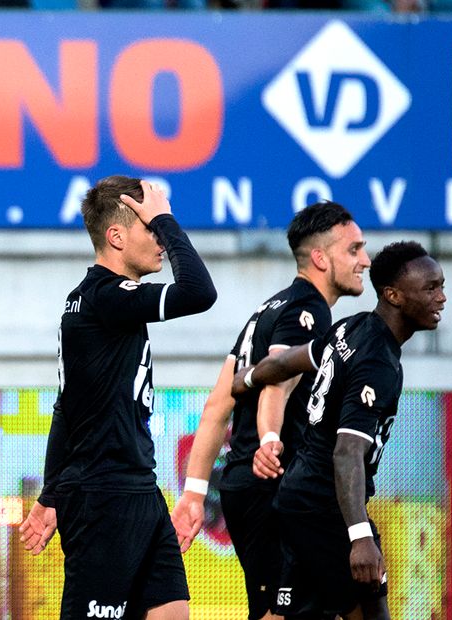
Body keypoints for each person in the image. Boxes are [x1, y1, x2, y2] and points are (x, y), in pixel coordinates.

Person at [19, 177, 217, 620]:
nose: (162, 242)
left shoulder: (98, 301)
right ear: (117, 236)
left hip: (140, 490)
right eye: (151, 230)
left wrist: (51, 493)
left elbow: (66, 406)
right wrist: (165, 218)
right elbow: (200, 293)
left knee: (172, 612)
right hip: (102, 496)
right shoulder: (105, 297)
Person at [170, 202, 370, 620]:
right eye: (354, 250)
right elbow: (278, 383)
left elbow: (217, 406)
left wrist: (193, 492)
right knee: (286, 612)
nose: (364, 261)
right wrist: (271, 439)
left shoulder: (265, 310)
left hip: (245, 486)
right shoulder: (307, 311)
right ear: (320, 257)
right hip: (273, 485)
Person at [232, 241, 446, 620]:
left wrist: (248, 377)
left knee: (288, 614)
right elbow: (347, 451)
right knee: (371, 608)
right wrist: (359, 535)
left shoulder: (352, 326)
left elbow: (290, 360)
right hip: (326, 507)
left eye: (441, 285)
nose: (441, 297)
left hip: (297, 497)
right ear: (393, 295)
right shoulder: (377, 361)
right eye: (430, 288)